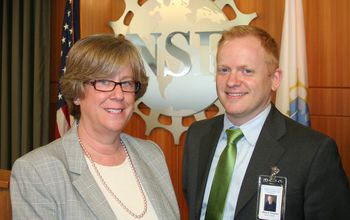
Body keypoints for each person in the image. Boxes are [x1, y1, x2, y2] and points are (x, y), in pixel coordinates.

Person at [182, 25, 350, 220]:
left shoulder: (313, 152)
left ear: (275, 79)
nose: (231, 81)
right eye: (224, 70)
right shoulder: (197, 135)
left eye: (246, 71)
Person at [10, 34, 180, 220]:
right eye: (104, 82)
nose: (119, 94)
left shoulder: (152, 155)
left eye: (126, 83)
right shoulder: (38, 170)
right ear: (77, 93)